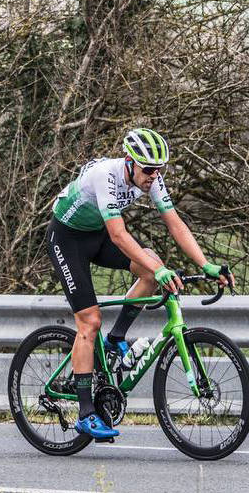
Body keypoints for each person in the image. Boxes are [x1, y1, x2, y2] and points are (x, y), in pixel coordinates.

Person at [46, 128, 234, 440]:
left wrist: (206, 264)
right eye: (148, 170)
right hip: (67, 239)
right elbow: (119, 235)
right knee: (90, 322)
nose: (153, 176)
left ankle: (115, 337)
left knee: (152, 266)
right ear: (130, 162)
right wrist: (158, 271)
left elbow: (174, 222)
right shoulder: (104, 175)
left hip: (97, 236)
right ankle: (85, 412)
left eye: (160, 170)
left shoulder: (152, 178)